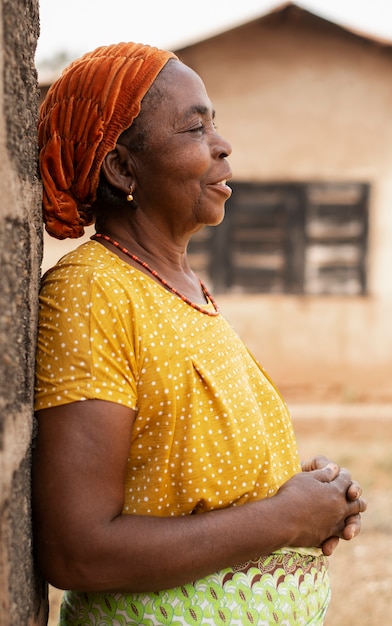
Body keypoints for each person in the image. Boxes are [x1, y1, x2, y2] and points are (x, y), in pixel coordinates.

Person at [32, 42, 366, 625]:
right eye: (194, 127)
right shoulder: (92, 294)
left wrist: (311, 497)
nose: (223, 144)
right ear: (121, 168)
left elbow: (191, 481)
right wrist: (284, 520)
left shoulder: (183, 287)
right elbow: (76, 549)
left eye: (216, 123)